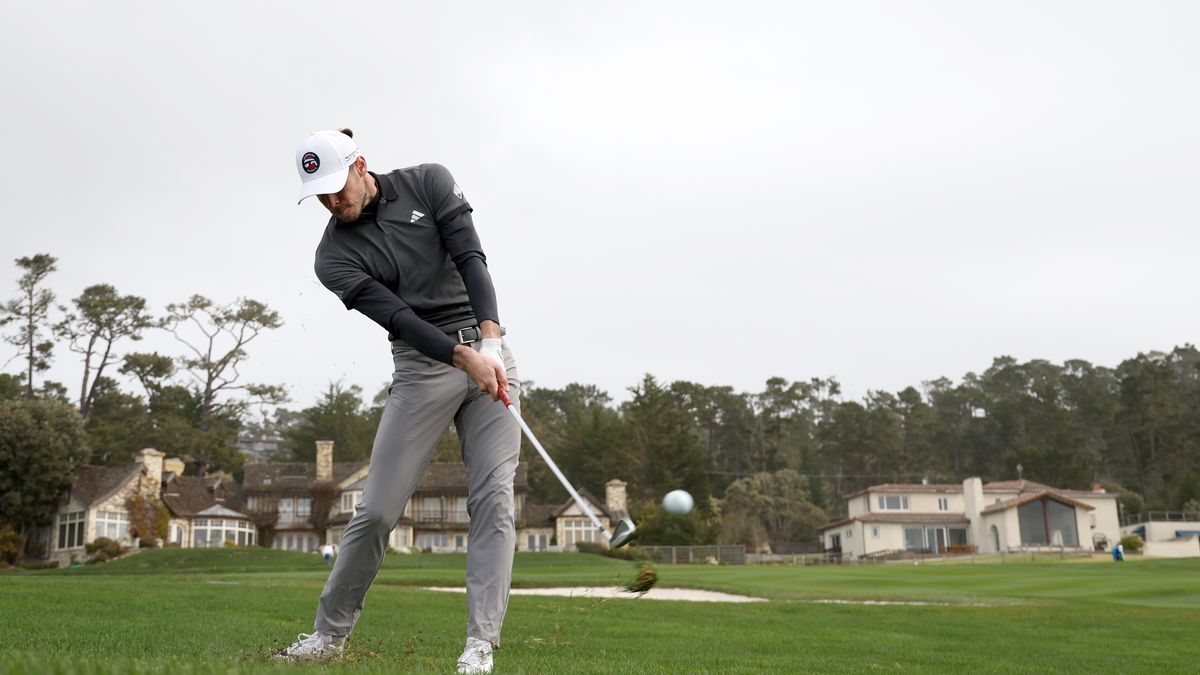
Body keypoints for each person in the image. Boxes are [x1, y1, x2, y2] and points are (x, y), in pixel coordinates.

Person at [277, 129, 520, 675]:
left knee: (495, 498)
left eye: (339, 188)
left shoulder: (429, 182)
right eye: (321, 196)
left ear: (361, 166)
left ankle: (480, 646)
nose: (333, 203)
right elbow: (401, 320)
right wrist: (464, 359)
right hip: (421, 364)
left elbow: (472, 258)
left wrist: (490, 342)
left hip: (487, 345)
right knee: (378, 510)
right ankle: (327, 636)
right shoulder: (331, 257)